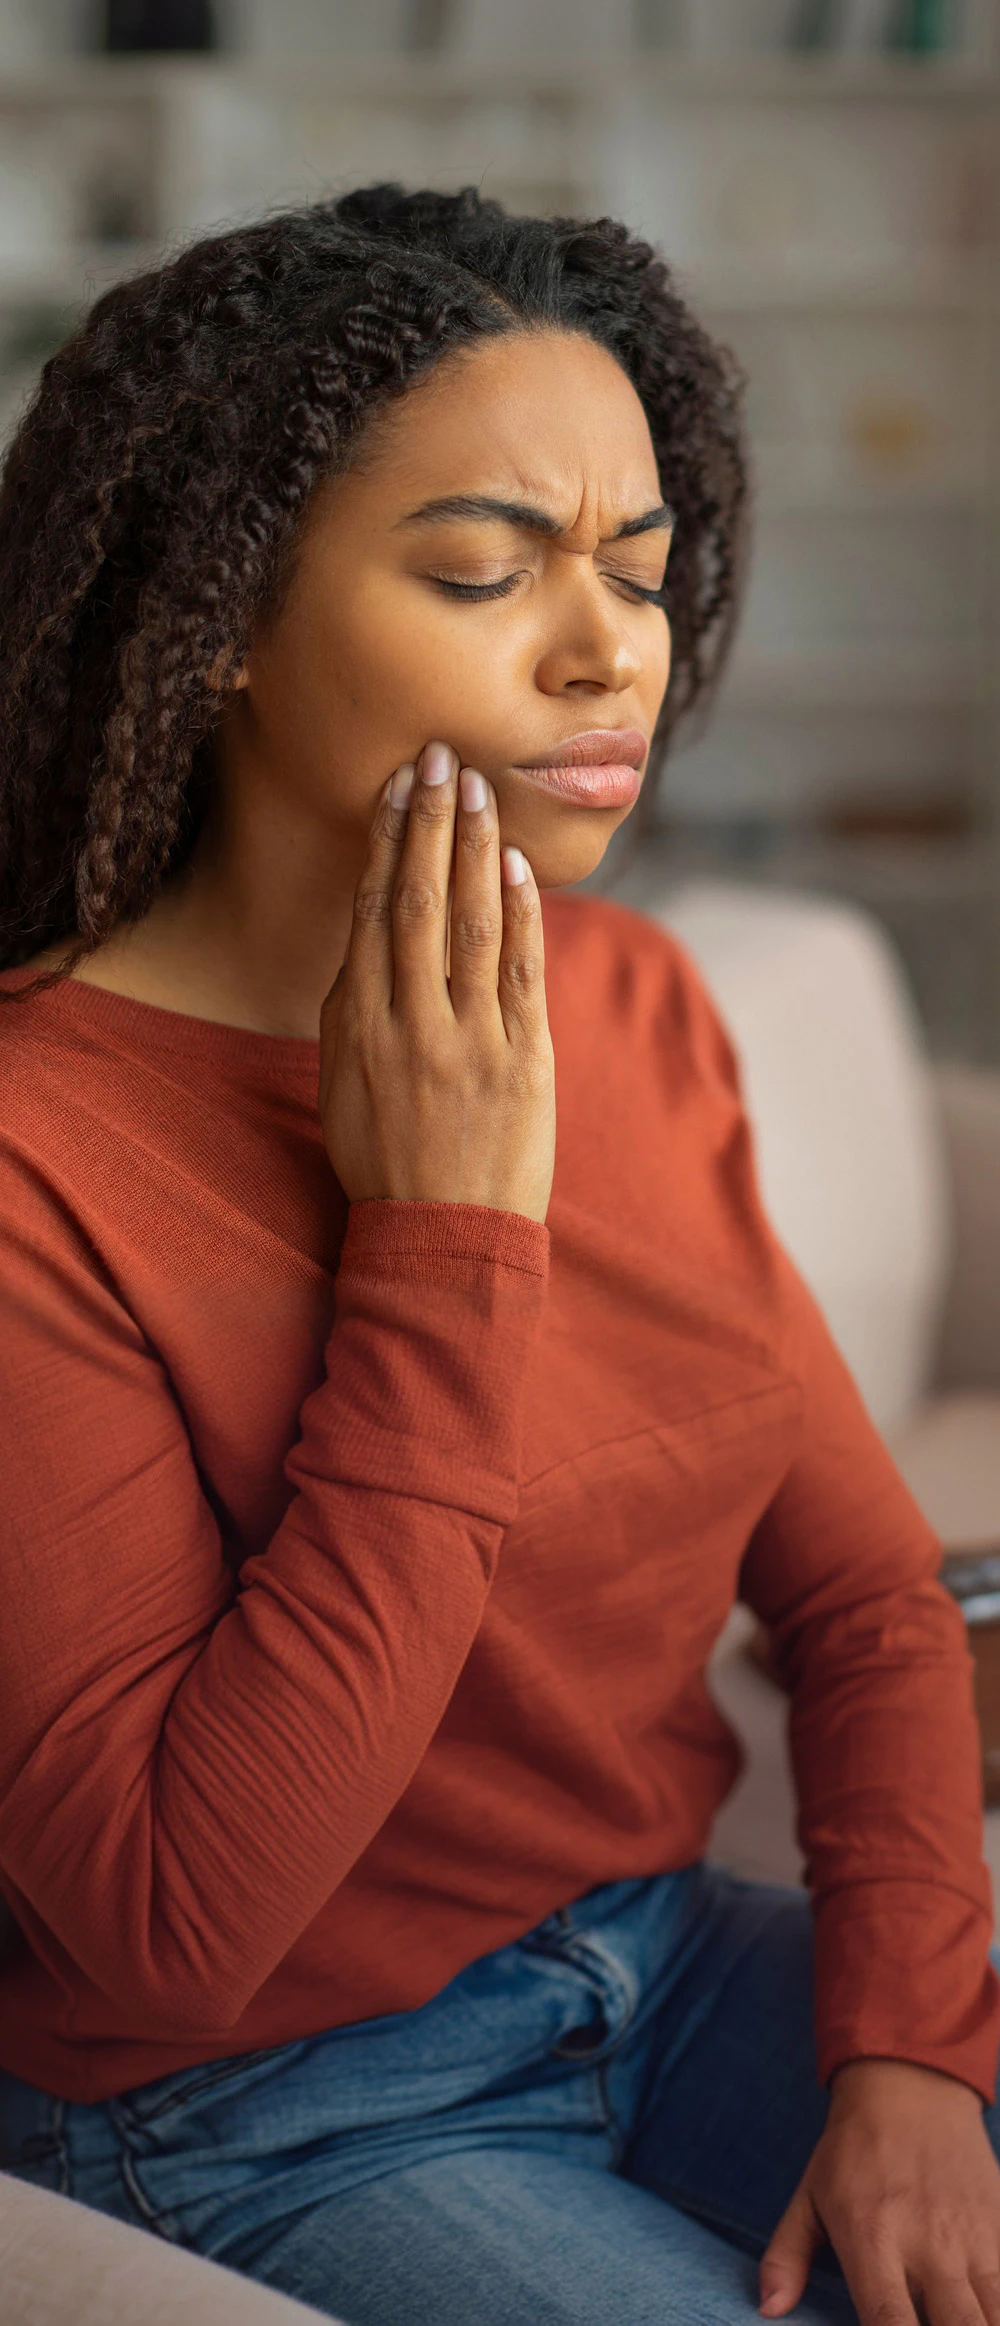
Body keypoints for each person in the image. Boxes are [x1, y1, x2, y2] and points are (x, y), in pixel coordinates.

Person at [0, 183, 997, 2326]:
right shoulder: (35, 1153)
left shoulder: (628, 1005)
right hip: (256, 2097)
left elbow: (864, 1599)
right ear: (223, 612)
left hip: (653, 1950)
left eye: (637, 568)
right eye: (482, 570)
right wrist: (439, 1241)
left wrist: (912, 2044)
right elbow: (177, 1918)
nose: (607, 646)